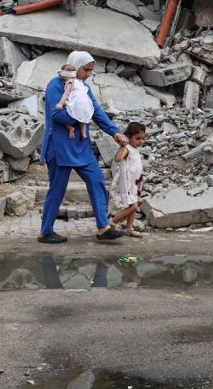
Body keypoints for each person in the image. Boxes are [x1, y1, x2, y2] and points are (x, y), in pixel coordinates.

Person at [38, 50, 128, 244]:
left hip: (81, 146)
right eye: (86, 69)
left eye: (90, 70)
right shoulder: (55, 85)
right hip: (59, 146)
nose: (88, 73)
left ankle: (103, 227)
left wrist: (115, 132)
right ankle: (46, 231)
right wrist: (83, 114)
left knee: (96, 181)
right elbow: (57, 115)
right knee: (57, 189)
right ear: (76, 67)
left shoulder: (83, 88)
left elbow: (97, 111)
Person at [109, 122, 147, 237]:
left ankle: (129, 228)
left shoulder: (134, 148)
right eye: (138, 138)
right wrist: (123, 145)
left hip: (136, 181)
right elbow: (117, 159)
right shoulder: (127, 148)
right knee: (134, 206)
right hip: (129, 182)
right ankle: (111, 223)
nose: (141, 141)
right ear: (129, 137)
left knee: (133, 206)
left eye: (142, 138)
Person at [55, 63, 91, 140]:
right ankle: (83, 133)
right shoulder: (79, 82)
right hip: (86, 104)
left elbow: (66, 94)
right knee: (82, 118)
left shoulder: (70, 82)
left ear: (66, 76)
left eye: (60, 74)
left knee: (63, 115)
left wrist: (60, 104)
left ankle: (70, 128)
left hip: (76, 103)